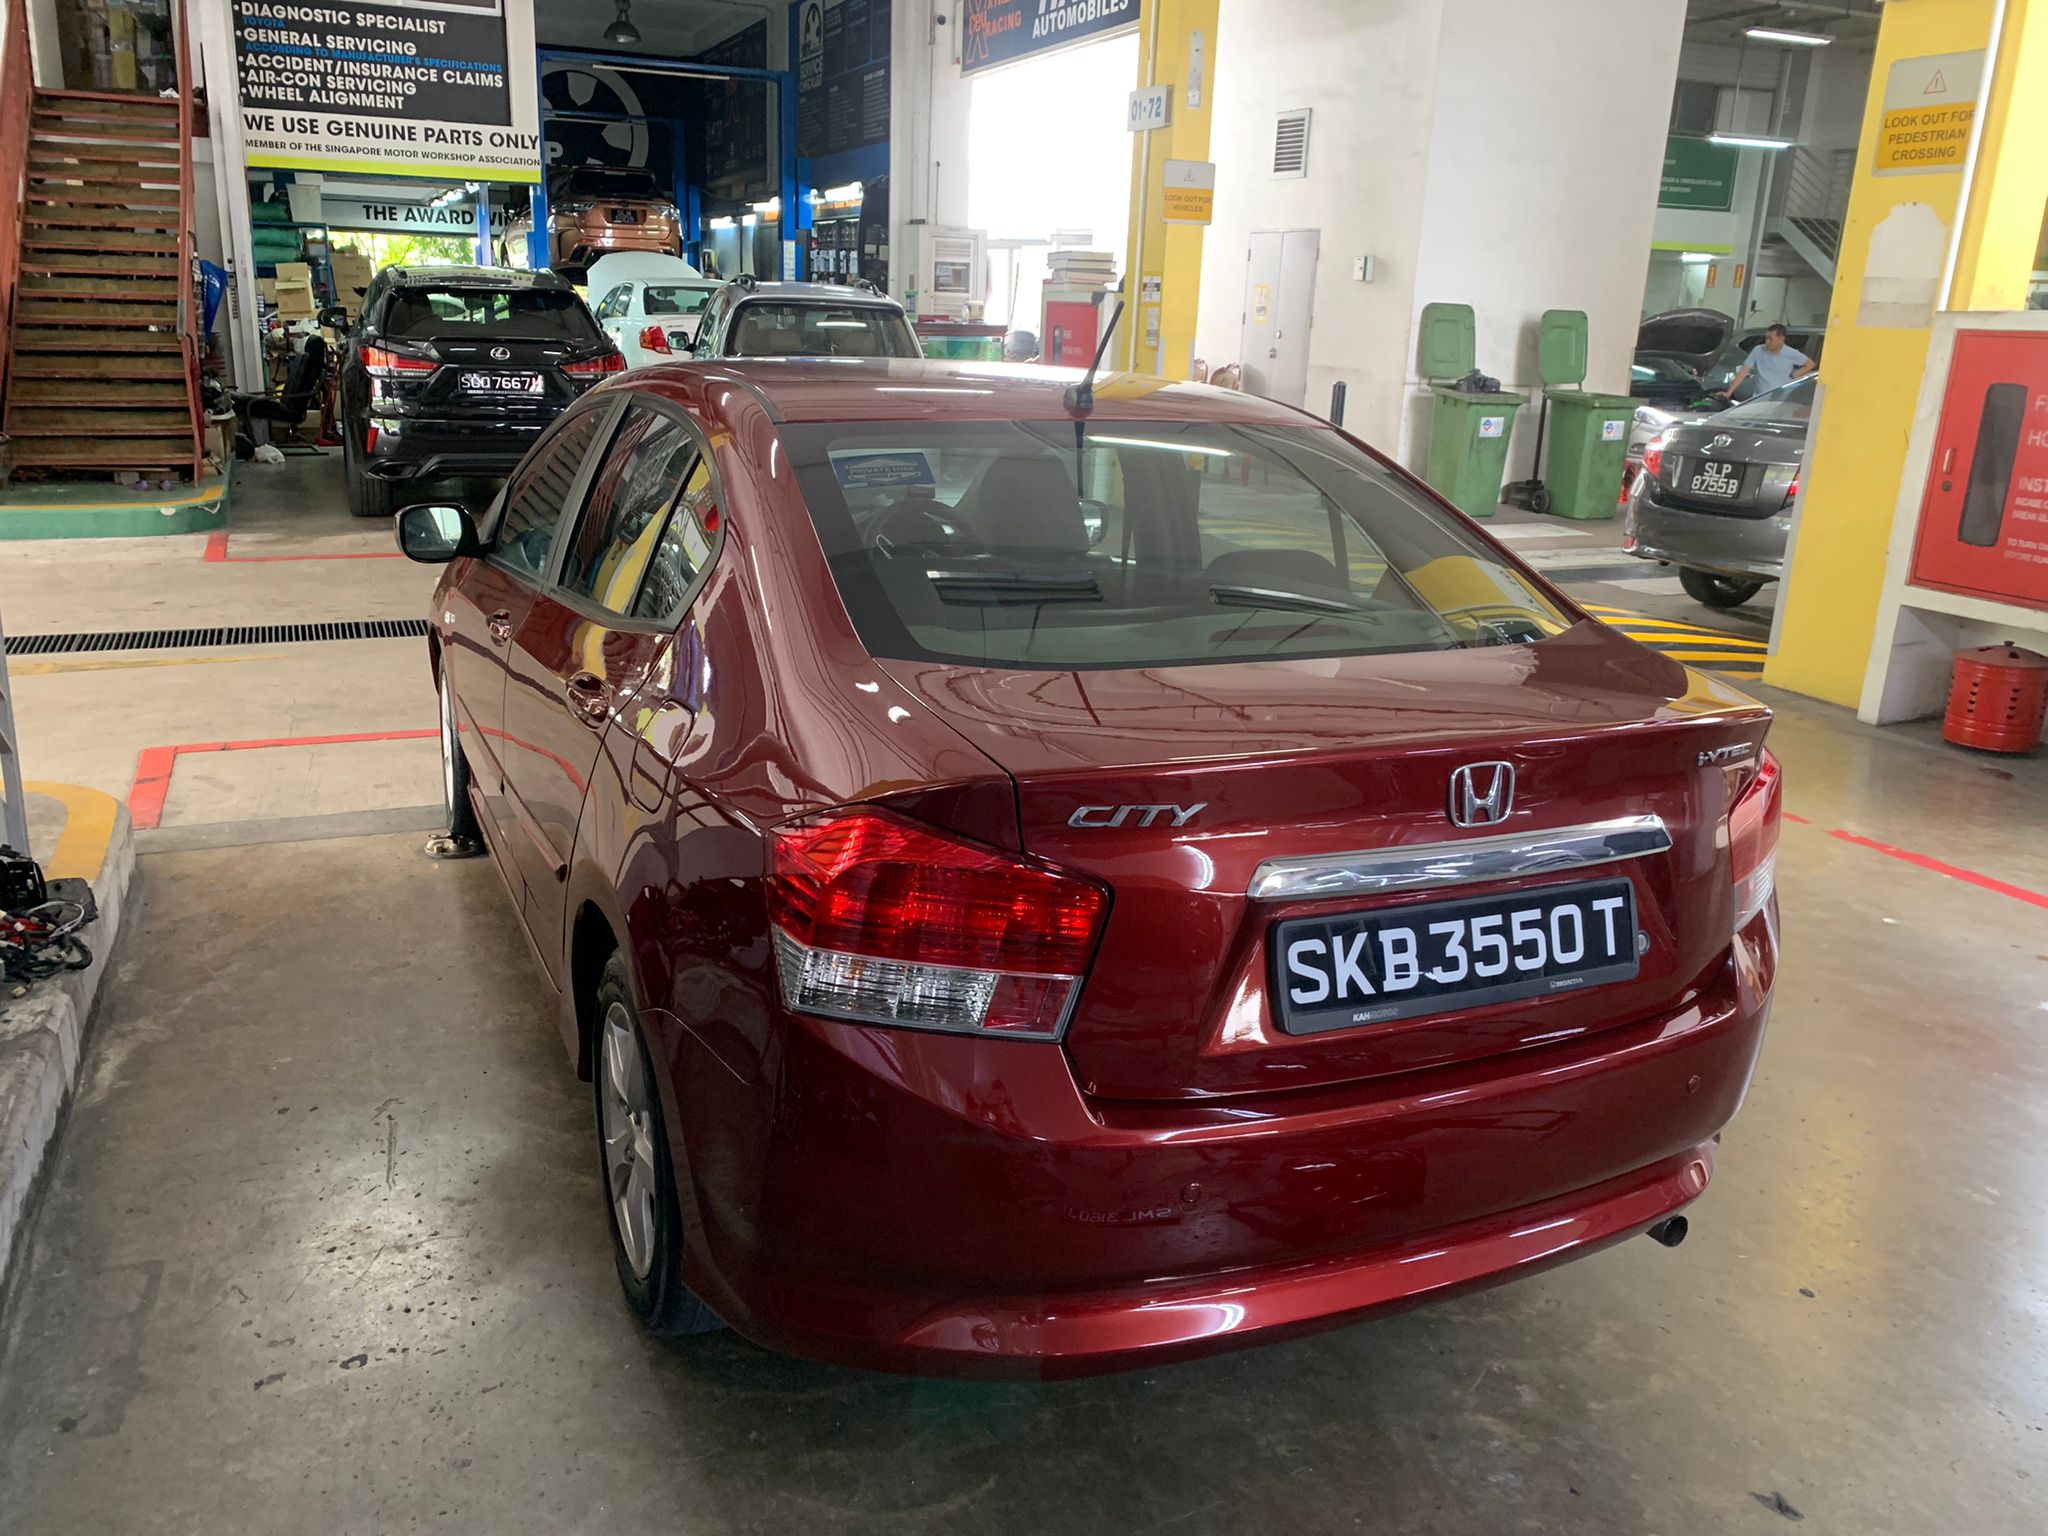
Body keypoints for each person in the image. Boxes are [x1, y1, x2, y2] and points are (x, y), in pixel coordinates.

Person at [1720, 324, 1815, 400]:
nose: (1767, 342)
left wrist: (1794, 376)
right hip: (1759, 397)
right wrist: (1729, 392)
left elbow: (1810, 364)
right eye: (1766, 338)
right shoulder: (1758, 350)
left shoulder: (1791, 353)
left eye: (1770, 339)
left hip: (1780, 399)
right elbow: (1743, 371)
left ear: (1781, 339)